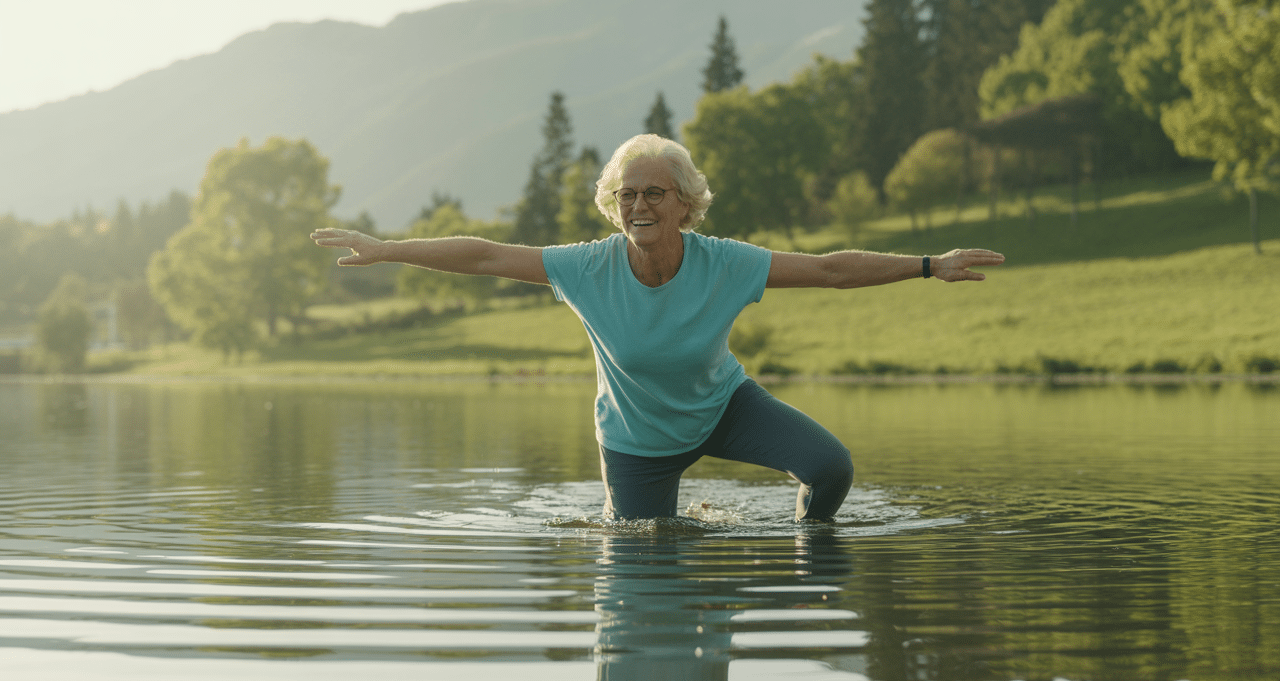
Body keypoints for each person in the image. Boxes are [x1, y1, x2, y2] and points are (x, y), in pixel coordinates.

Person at [312, 134, 1004, 522]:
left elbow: (828, 269)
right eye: (627, 194)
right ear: (615, 208)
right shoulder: (586, 268)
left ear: (684, 204)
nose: (639, 204)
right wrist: (387, 246)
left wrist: (927, 264)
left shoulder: (724, 264)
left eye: (654, 193)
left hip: (725, 408)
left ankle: (809, 554)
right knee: (642, 558)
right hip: (636, 440)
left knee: (832, 468)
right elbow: (487, 254)